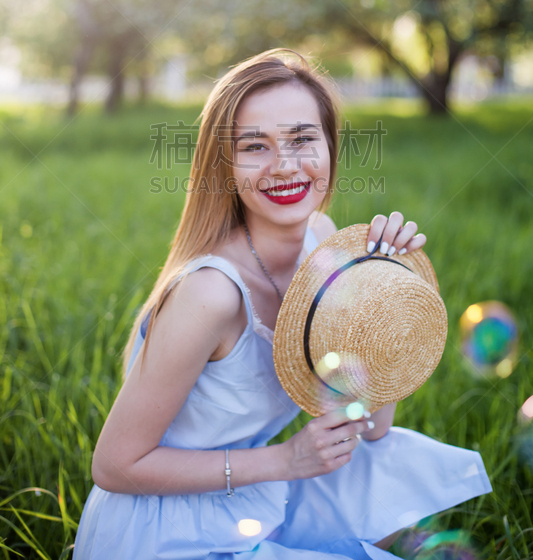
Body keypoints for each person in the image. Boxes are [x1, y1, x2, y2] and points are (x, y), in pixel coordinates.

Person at [73, 48, 492, 560]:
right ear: (225, 164)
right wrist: (285, 461)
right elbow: (115, 466)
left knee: (376, 475)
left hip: (246, 494)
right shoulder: (212, 293)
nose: (285, 165)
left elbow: (373, 425)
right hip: (167, 526)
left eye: (302, 138)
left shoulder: (324, 240)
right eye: (256, 146)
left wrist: (385, 297)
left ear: (330, 146)